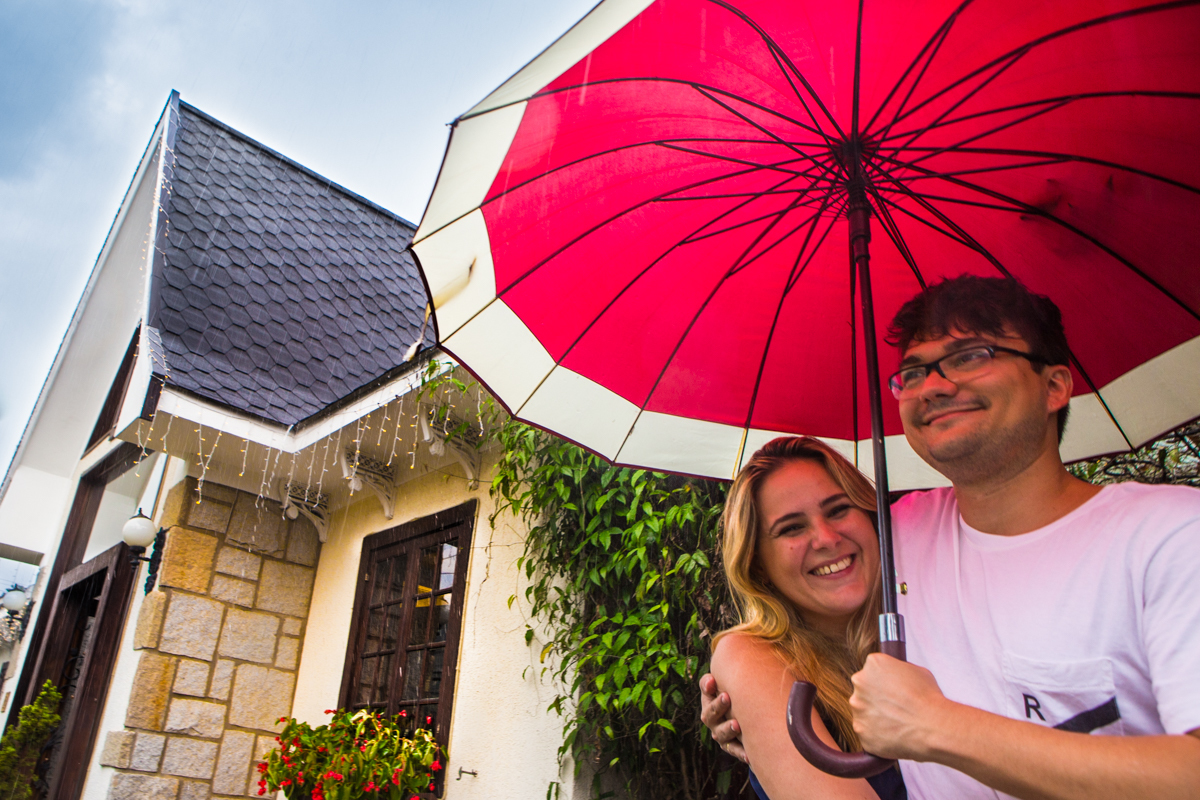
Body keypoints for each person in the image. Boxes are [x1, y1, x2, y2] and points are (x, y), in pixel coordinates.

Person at [700, 276, 1200, 799]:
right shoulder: (899, 538)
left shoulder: (1168, 537)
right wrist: (748, 702)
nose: (934, 386)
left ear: (1054, 386)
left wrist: (938, 726)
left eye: (970, 356)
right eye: (913, 372)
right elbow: (794, 611)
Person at [710, 436, 905, 800]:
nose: (827, 539)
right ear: (758, 564)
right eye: (792, 528)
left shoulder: (935, 612)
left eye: (838, 509)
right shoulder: (749, 656)